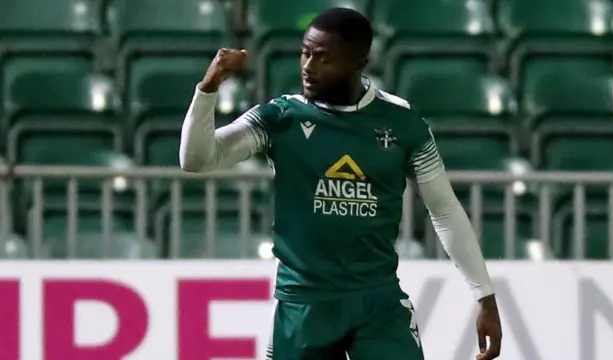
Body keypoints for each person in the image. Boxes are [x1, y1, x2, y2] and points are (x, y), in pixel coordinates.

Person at [180, 7, 502, 360]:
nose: (307, 66)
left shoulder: (402, 123)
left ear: (358, 63)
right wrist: (208, 89)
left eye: (323, 58)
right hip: (303, 302)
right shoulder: (281, 118)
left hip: (377, 302)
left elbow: (444, 210)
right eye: (305, 52)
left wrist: (484, 296)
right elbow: (196, 159)